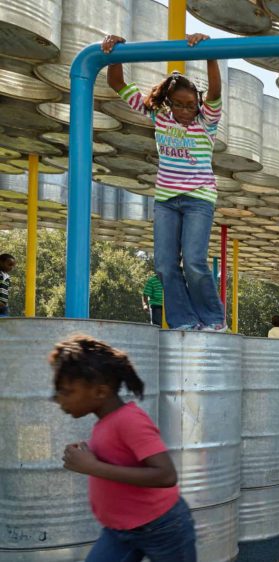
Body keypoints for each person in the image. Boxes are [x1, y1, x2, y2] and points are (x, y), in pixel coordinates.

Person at [102, 34, 225, 332]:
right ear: (168, 103)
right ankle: (184, 321)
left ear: (198, 103)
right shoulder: (158, 115)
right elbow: (116, 83)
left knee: (194, 261)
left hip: (198, 198)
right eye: (179, 105)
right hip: (167, 200)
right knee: (164, 265)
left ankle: (213, 319)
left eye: (190, 105)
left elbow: (216, 90)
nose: (185, 111)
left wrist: (209, 53)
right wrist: (116, 49)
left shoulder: (205, 121)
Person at [50, 335, 196, 561]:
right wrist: (90, 458)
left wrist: (93, 466)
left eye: (67, 392)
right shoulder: (105, 422)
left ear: (100, 391)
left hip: (163, 528)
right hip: (119, 531)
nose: (58, 399)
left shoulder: (130, 420)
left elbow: (166, 475)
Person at [0, 253, 14, 318]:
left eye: (13, 266)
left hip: (3, 306)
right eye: (9, 265)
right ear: (1, 262)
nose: (11, 268)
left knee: (5, 325)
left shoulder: (7, 277)